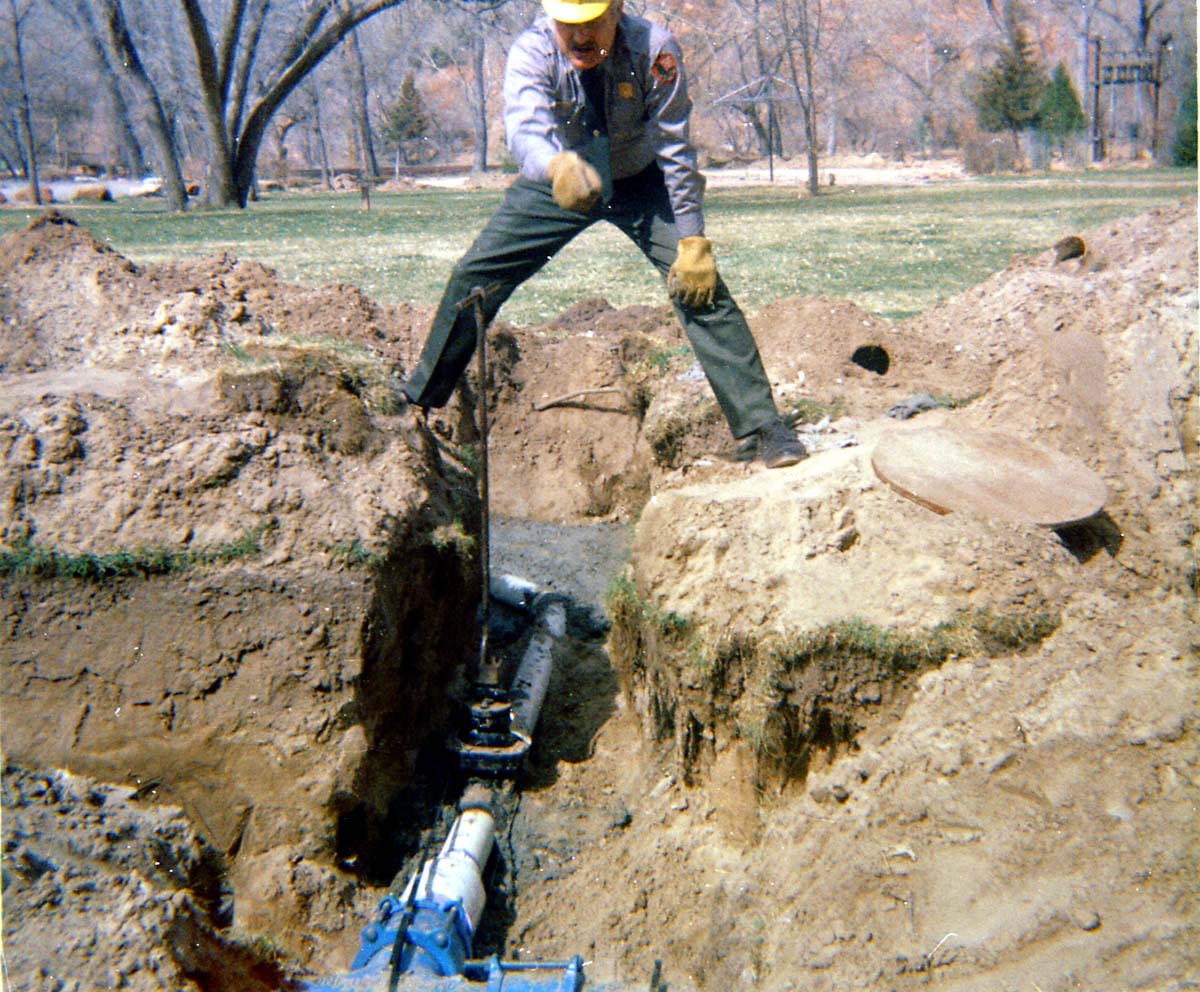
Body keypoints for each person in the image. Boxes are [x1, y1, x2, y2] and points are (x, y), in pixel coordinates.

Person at [402, 0, 807, 469]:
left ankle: (763, 429)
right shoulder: (531, 49)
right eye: (568, 25)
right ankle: (420, 401)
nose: (580, 37)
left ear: (617, 11)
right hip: (563, 177)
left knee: (699, 287)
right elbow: (525, 126)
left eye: (593, 22)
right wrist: (555, 165)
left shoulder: (654, 50)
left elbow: (674, 147)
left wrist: (693, 238)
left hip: (640, 180)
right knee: (478, 273)